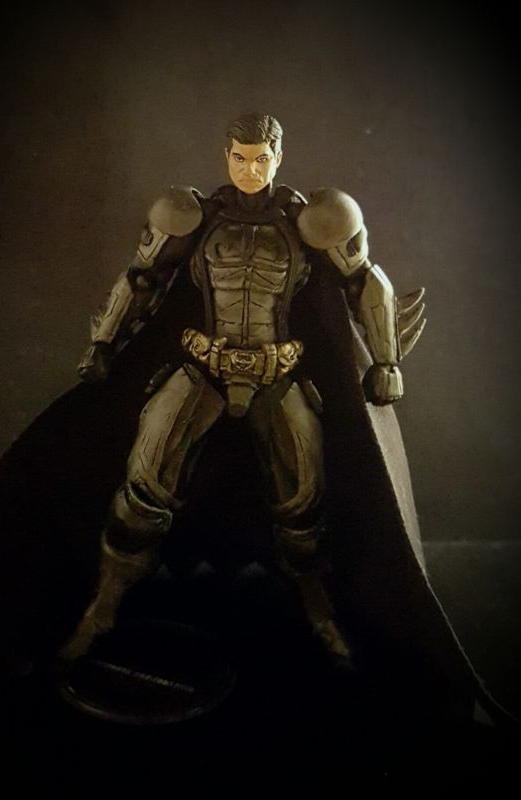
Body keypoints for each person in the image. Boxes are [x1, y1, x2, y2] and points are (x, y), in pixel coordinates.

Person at [57, 112, 425, 667]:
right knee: (145, 482)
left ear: (278, 158)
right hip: (203, 367)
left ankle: (317, 605)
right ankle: (103, 607)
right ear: (225, 157)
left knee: (303, 501)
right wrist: (104, 341)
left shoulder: (312, 220)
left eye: (260, 159)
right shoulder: (192, 217)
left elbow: (364, 281)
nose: (250, 170)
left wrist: (386, 360)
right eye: (239, 158)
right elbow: (141, 278)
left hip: (278, 373)